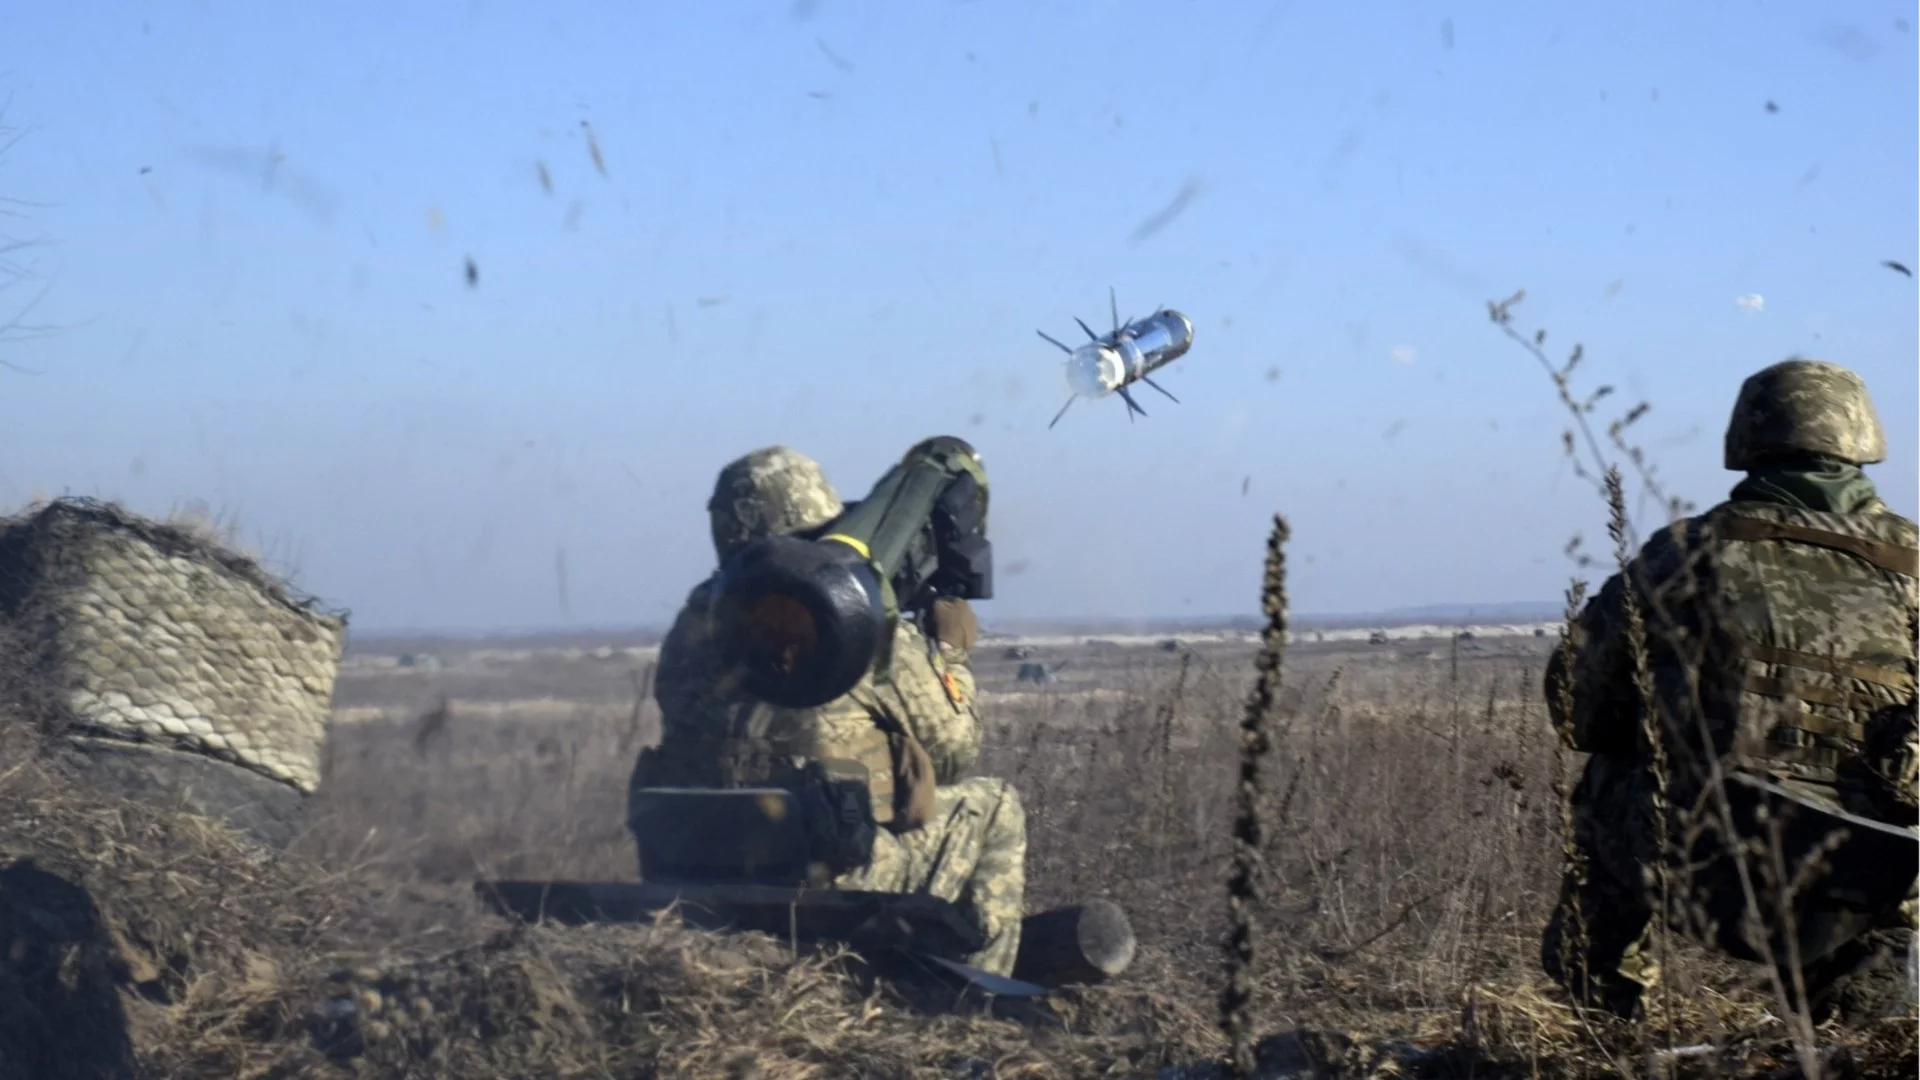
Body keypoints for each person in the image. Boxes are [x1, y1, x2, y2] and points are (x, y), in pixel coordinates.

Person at [1541, 358, 1918, 1023]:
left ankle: (1607, 1012)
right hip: (1861, 874)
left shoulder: (1682, 551)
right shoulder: (1914, 563)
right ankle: (1863, 1026)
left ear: (1748, 437)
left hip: (1698, 856)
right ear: (1862, 439)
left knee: (1610, 775)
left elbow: (1575, 704)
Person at [629, 445, 1029, 976]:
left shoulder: (692, 625)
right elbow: (955, 751)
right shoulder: (848, 614)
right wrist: (949, 654)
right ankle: (976, 1006)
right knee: (997, 806)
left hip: (693, 872)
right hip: (827, 878)